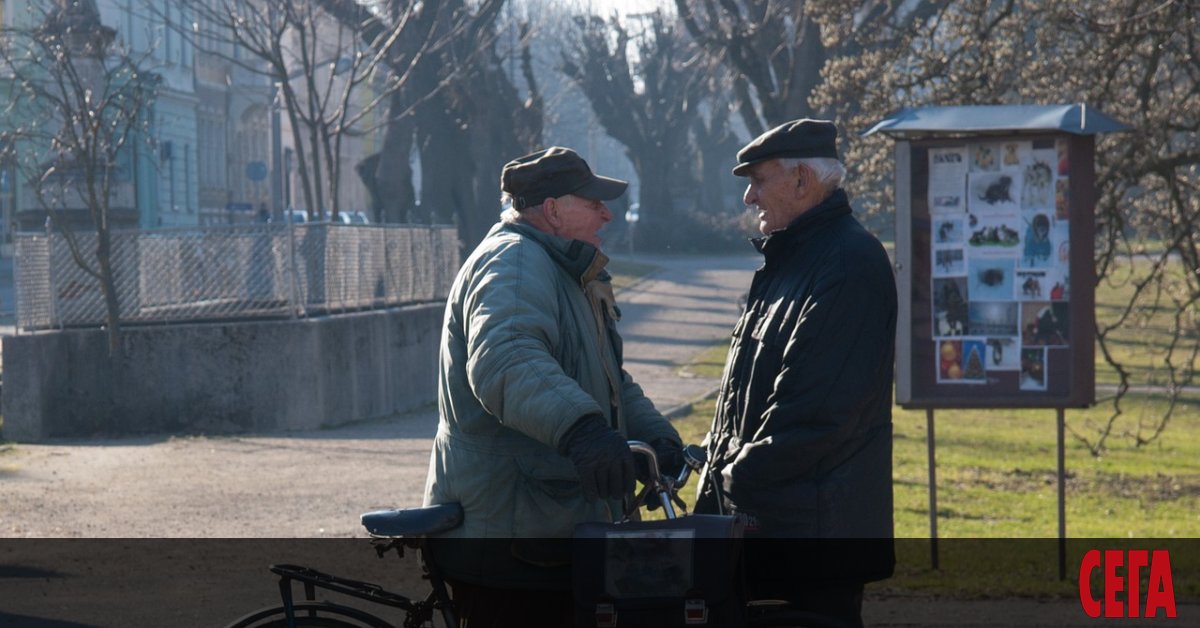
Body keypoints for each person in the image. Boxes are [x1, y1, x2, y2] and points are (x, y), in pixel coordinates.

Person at [423, 146, 684, 626]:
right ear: (553, 209)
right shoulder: (516, 264)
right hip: (514, 536)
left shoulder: (565, 270)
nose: (607, 212)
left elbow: (608, 378)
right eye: (592, 202)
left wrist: (657, 437)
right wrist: (583, 431)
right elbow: (506, 360)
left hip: (548, 524)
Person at [694, 119, 898, 627]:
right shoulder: (792, 257)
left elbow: (816, 415)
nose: (748, 197)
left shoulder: (848, 263)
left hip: (809, 548)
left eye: (759, 181)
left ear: (802, 180)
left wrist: (728, 481)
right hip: (771, 532)